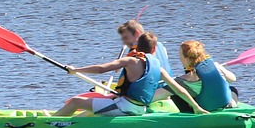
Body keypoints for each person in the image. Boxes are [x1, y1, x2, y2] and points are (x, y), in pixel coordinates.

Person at [54, 32, 202, 116]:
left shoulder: (131, 61)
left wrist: (75, 69)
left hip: (125, 108)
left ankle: (47, 125)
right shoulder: (159, 68)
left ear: (138, 47)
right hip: (140, 108)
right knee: (102, 103)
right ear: (154, 50)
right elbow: (180, 89)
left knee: (76, 102)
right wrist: (196, 107)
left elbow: (100, 69)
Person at [154, 40, 237, 112]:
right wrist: (221, 68)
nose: (179, 58)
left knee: (176, 93)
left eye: (180, 56)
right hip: (225, 104)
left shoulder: (184, 80)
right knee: (233, 89)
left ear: (187, 59)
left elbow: (154, 96)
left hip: (204, 109)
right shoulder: (216, 66)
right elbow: (233, 79)